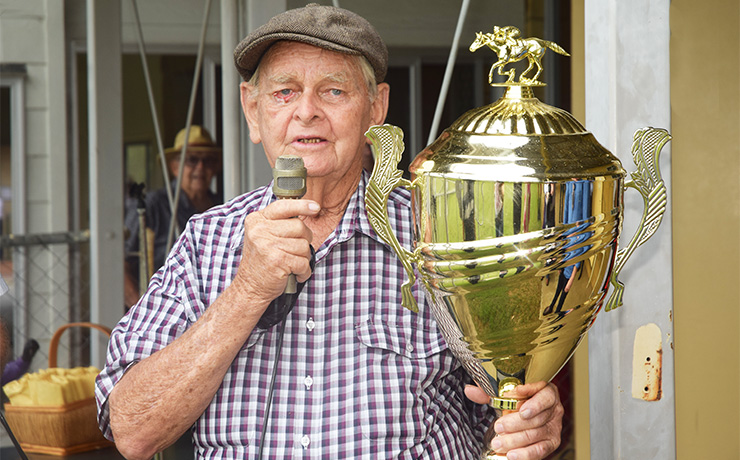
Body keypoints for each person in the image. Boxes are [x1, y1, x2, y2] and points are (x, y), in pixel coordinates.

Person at [96, 4, 563, 460]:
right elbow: (132, 431)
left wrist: (529, 422)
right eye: (284, 92)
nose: (306, 112)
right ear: (252, 110)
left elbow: (507, 402)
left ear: (376, 107)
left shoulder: (441, 235)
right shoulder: (206, 241)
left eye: (333, 91)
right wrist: (247, 290)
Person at [123, 126, 221, 308]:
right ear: (175, 167)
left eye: (208, 161)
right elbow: (121, 261)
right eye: (192, 160)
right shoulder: (153, 204)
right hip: (163, 308)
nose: (200, 167)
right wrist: (143, 311)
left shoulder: (221, 206)